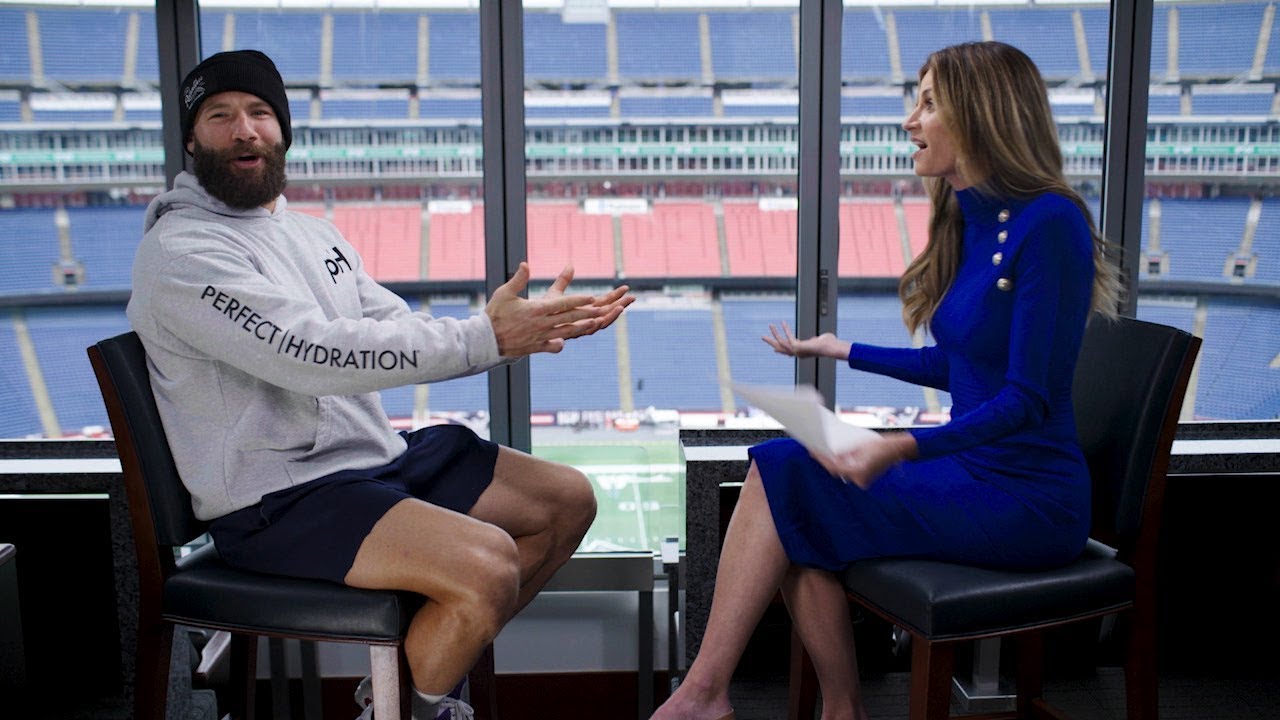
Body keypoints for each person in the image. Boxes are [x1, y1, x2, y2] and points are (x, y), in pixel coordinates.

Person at [126, 49, 634, 720]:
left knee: (565, 500)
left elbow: (387, 322)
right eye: (219, 117)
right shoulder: (183, 251)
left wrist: (507, 326)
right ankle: (407, 709)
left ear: (281, 131)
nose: (243, 130)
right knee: (486, 565)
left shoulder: (313, 234)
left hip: (370, 465)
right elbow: (307, 351)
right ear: (192, 140)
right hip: (276, 498)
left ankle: (405, 689)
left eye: (258, 113)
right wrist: (486, 338)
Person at [651, 41, 1121, 720]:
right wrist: (842, 350)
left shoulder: (1051, 223)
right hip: (973, 471)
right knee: (793, 495)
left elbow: (1027, 399)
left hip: (1029, 499)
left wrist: (897, 444)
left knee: (785, 475)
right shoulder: (973, 217)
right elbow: (956, 365)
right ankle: (816, 706)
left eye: (928, 102)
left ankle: (710, 695)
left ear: (980, 112)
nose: (910, 120)